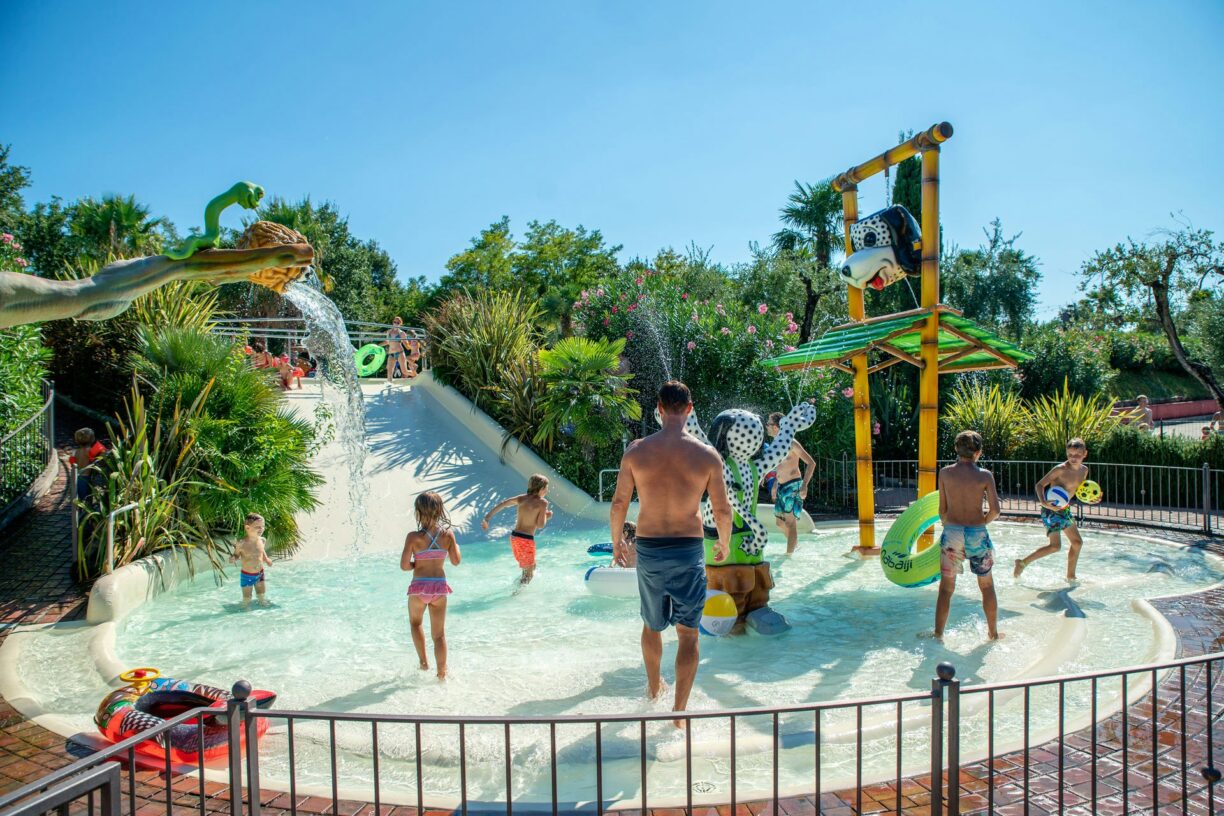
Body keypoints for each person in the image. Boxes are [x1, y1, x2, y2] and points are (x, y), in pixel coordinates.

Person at [609, 380, 732, 729]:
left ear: (659, 409)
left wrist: (617, 542)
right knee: (688, 633)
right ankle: (678, 714)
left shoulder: (636, 451)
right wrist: (723, 542)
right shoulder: (707, 455)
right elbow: (722, 510)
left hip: (649, 547)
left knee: (651, 625)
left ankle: (653, 689)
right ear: (689, 409)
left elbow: (619, 503)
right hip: (688, 548)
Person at [934, 431, 1002, 641]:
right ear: (978, 452)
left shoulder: (945, 473)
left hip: (952, 532)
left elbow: (942, 510)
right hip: (977, 533)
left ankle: (938, 634)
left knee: (946, 588)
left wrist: (948, 524)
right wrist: (982, 523)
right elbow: (995, 510)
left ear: (956, 449)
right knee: (987, 586)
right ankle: (993, 634)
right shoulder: (985, 475)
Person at [400, 491, 461, 680]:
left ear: (418, 512)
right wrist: (455, 546)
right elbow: (456, 561)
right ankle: (442, 674)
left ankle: (424, 663)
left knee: (415, 623)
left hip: (419, 587)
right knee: (439, 635)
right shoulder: (447, 535)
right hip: (439, 588)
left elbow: (404, 566)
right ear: (440, 511)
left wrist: (417, 565)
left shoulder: (413, 537)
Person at [1015, 438, 1090, 581]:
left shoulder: (1084, 470)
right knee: (1055, 546)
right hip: (1051, 509)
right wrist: (1044, 502)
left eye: (1077, 455)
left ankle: (1070, 577)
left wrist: (1092, 498)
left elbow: (1080, 490)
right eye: (1070, 455)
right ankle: (1022, 563)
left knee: (1077, 543)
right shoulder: (1060, 469)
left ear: (1084, 454)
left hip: (1065, 509)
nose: (1073, 458)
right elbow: (1039, 485)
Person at [481, 474, 552, 589]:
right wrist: (546, 516)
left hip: (515, 538)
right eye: (547, 488)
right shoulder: (543, 503)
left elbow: (503, 504)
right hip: (526, 540)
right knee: (529, 574)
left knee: (531, 566)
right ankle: (516, 595)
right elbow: (540, 525)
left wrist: (487, 518)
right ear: (542, 488)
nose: (547, 491)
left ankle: (518, 587)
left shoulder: (522, 498)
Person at [765, 411, 815, 553]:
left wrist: (804, 485)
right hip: (782, 486)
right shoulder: (776, 444)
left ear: (776, 427)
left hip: (794, 486)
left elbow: (811, 463)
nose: (767, 426)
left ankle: (789, 555)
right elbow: (780, 466)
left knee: (790, 522)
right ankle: (795, 546)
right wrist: (775, 484)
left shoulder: (792, 444)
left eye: (769, 423)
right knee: (779, 523)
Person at [230, 513, 273, 608]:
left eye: (263, 526)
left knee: (261, 596)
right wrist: (233, 558)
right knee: (247, 598)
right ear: (247, 528)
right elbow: (236, 554)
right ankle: (246, 611)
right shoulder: (241, 543)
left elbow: (261, 551)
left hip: (260, 574)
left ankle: (263, 611)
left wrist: (266, 559)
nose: (261, 529)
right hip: (246, 575)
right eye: (258, 527)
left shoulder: (262, 540)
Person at [68, 427, 106, 500]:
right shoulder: (91, 451)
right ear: (92, 439)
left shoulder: (75, 451)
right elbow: (100, 461)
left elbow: (72, 462)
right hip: (86, 478)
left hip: (76, 476)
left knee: (78, 497)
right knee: (86, 498)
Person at [383, 317, 410, 384]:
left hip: (400, 353)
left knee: (404, 371)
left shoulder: (402, 333)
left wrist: (413, 346)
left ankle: (416, 375)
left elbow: (407, 345)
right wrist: (377, 345)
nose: (396, 324)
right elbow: (387, 342)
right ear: (393, 322)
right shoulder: (389, 332)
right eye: (394, 322)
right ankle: (389, 383)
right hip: (391, 353)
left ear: (400, 324)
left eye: (398, 323)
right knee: (389, 370)